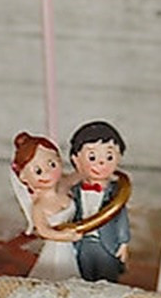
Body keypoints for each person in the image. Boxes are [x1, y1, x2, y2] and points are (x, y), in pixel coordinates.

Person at [11, 131, 80, 282]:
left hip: (76, 243)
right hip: (58, 248)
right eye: (38, 171)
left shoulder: (63, 187)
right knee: (58, 276)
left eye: (52, 164)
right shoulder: (39, 206)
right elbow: (43, 231)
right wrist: (64, 236)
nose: (47, 173)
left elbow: (78, 176)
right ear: (23, 177)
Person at [67, 120, 131, 282]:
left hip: (107, 244)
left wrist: (123, 243)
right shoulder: (74, 192)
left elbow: (121, 217)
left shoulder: (116, 193)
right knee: (83, 277)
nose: (101, 163)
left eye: (109, 156)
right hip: (81, 244)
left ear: (119, 157)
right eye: (92, 157)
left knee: (107, 280)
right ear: (76, 160)